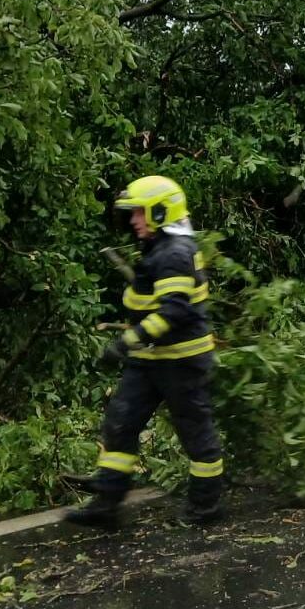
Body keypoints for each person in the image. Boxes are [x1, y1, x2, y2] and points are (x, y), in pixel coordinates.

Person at [65, 175, 226, 528]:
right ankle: (106, 504)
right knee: (120, 423)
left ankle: (205, 507)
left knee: (196, 434)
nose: (134, 220)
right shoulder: (158, 249)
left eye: (140, 212)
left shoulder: (175, 253)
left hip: (182, 361)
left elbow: (173, 311)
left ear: (161, 211)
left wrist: (128, 341)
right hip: (150, 359)